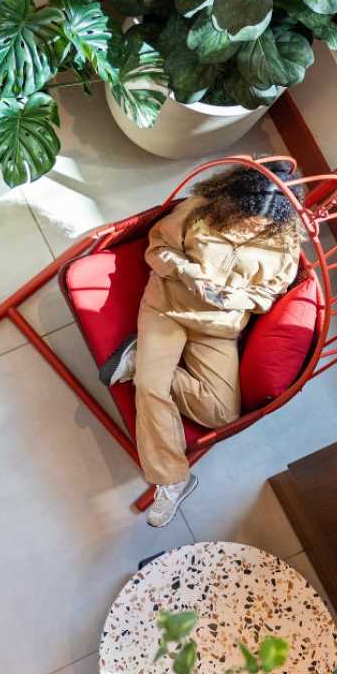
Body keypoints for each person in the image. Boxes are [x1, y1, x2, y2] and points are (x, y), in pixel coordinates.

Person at [103, 161, 303, 528]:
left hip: (217, 327)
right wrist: (187, 272)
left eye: (257, 228)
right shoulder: (198, 211)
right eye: (243, 218)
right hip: (168, 306)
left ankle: (136, 359)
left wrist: (235, 297)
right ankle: (173, 479)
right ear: (232, 200)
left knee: (223, 416)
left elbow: (270, 293)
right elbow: (157, 249)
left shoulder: (284, 245)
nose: (247, 228)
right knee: (151, 389)